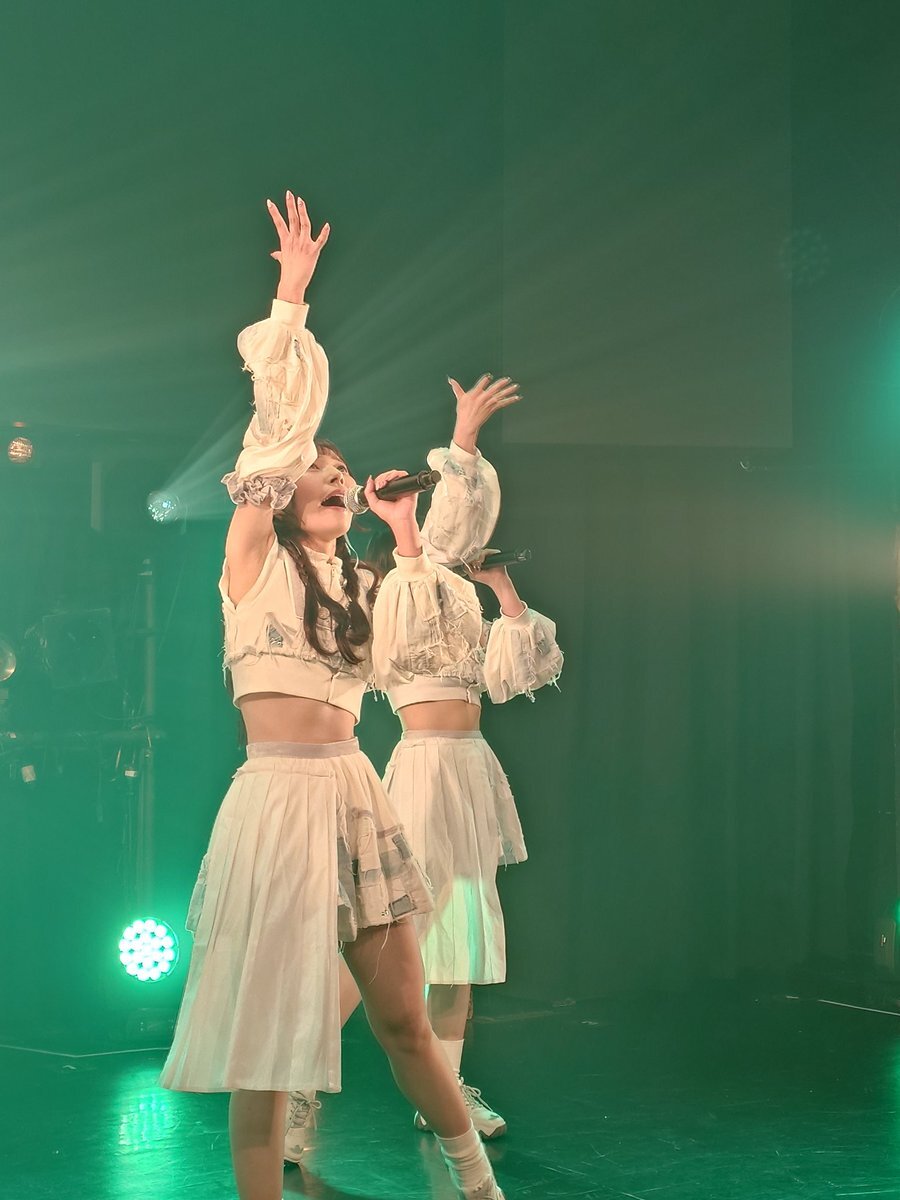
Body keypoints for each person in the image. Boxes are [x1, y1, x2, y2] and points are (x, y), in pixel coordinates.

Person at [159, 192, 506, 1200]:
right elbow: (274, 435)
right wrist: (292, 297)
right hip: (276, 799)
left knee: (402, 1019)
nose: (332, 473)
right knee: (269, 1043)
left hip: (353, 792)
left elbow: (443, 577)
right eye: (319, 466)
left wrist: (414, 507)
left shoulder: (366, 585)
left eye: (341, 468)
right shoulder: (252, 560)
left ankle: (478, 1184)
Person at [284, 372, 562, 1160]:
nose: (450, 535)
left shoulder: (460, 599)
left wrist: (503, 590)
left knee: (461, 937)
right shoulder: (387, 591)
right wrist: (460, 444)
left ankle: (447, 1084)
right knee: (392, 933)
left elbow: (514, 674)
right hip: (424, 769)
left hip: (471, 769)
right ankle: (300, 1087)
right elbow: (433, 551)